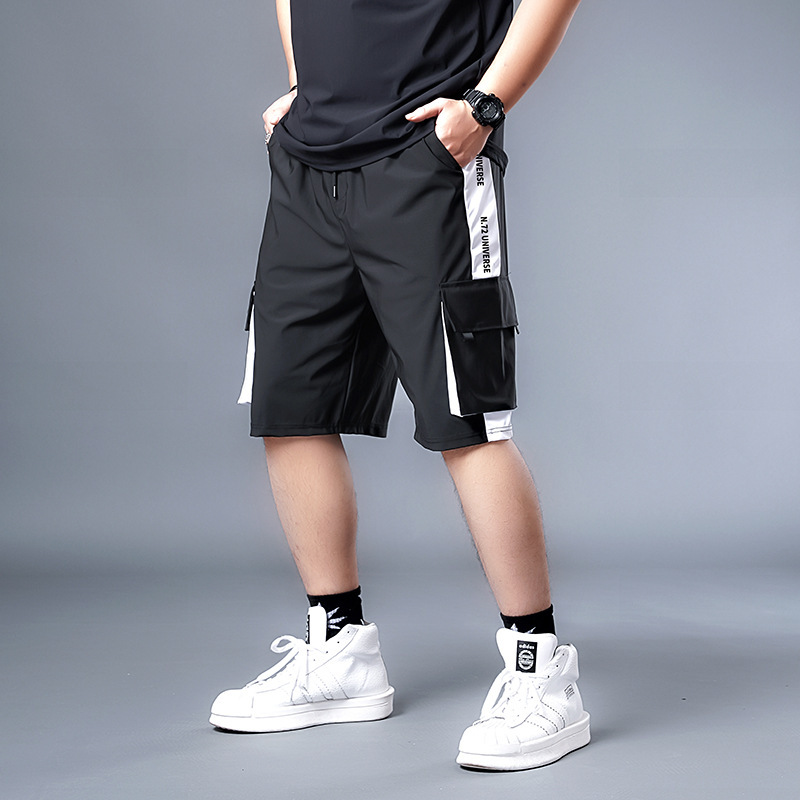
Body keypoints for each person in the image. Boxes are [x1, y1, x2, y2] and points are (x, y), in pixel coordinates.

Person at [210, 0, 589, 771]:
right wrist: (303, 85)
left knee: (468, 419)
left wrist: (485, 105)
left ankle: (540, 670)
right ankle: (339, 649)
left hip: (424, 162)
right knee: (291, 406)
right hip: (307, 165)